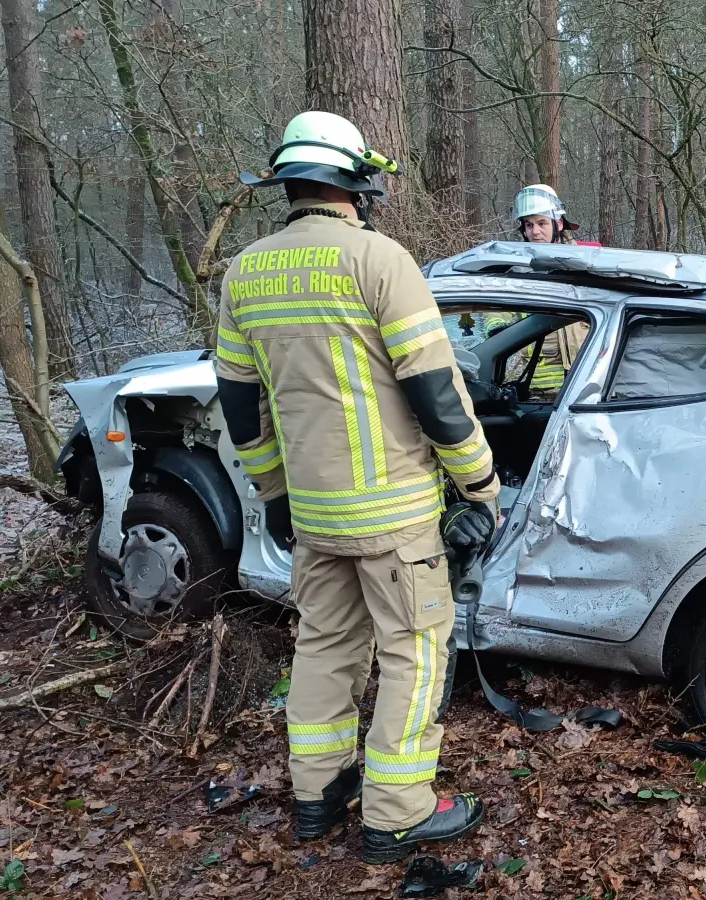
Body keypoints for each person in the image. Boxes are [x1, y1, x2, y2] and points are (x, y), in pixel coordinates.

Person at [216, 110, 496, 864]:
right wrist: (480, 484)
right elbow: (437, 391)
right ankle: (398, 810)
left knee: (323, 649)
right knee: (415, 653)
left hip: (312, 512)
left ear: (289, 184)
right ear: (356, 185)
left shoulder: (246, 271)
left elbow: (241, 407)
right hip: (396, 514)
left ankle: (318, 793)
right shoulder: (381, 262)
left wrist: (274, 493)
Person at [509, 184, 592, 394]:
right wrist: (499, 330)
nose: (534, 232)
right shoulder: (516, 271)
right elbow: (499, 315)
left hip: (582, 381)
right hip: (537, 389)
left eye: (541, 223)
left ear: (559, 223)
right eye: (528, 225)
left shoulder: (586, 265)